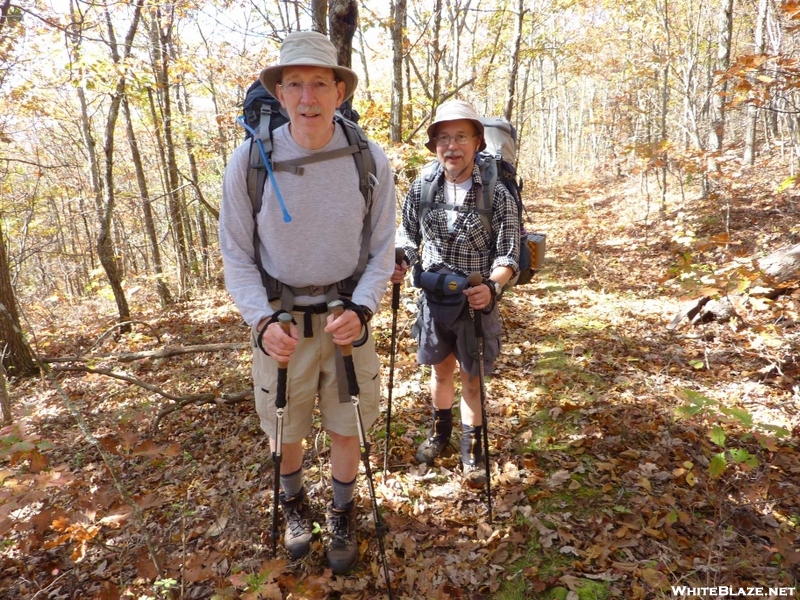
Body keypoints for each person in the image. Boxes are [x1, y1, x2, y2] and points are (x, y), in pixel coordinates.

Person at [219, 31, 395, 573]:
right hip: (282, 325)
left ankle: (341, 514)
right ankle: (295, 506)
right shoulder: (249, 161)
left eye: (320, 82)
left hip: (348, 319)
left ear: (339, 91)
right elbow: (236, 255)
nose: (307, 97)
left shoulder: (369, 159)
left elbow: (383, 248)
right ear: (280, 91)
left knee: (348, 424)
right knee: (286, 429)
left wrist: (363, 309)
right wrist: (262, 319)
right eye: (294, 83)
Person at [392, 100, 520, 485]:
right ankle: (441, 433)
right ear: (434, 145)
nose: (452, 146)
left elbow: (510, 252)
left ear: (478, 141)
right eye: (443, 138)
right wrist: (401, 260)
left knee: (472, 378)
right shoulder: (422, 185)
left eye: (461, 137)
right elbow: (408, 234)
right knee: (440, 370)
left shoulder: (496, 193)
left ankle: (472, 449)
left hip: (475, 301)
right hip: (432, 298)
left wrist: (493, 288)